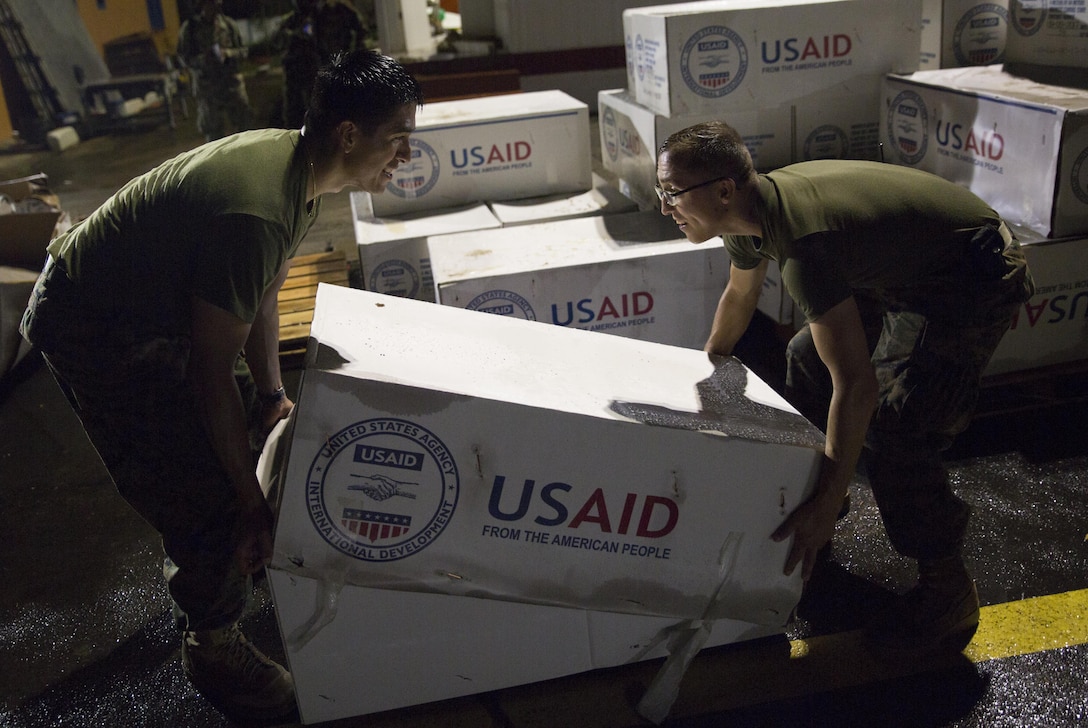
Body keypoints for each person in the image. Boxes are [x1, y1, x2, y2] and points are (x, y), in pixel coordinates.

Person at [20, 50, 423, 720]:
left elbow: (260, 292)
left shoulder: (297, 173)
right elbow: (207, 373)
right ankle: (212, 647)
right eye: (398, 141)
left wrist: (269, 397)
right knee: (202, 487)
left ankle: (222, 551)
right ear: (350, 135)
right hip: (97, 323)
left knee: (247, 436)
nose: (404, 157)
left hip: (156, 303)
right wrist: (246, 501)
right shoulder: (259, 206)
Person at [655, 121, 1033, 657]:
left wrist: (832, 492)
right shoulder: (745, 218)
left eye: (673, 193)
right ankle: (818, 528)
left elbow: (856, 388)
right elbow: (738, 301)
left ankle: (947, 588)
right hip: (901, 263)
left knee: (900, 424)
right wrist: (700, 375)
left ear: (723, 190)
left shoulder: (804, 250)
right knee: (806, 358)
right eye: (660, 191)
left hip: (968, 275)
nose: (666, 207)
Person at [274, 0, 369, 129]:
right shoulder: (296, 19)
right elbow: (278, 40)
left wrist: (356, 54)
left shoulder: (338, 11)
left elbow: (361, 32)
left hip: (331, 67)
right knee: (296, 111)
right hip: (302, 71)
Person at [177, 0, 253, 141]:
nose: (215, 7)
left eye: (217, 4)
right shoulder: (191, 28)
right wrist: (203, 60)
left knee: (245, 126)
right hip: (207, 88)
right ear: (202, 5)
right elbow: (183, 57)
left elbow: (243, 51)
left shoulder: (228, 24)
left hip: (231, 84)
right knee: (213, 133)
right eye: (211, 4)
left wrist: (228, 53)